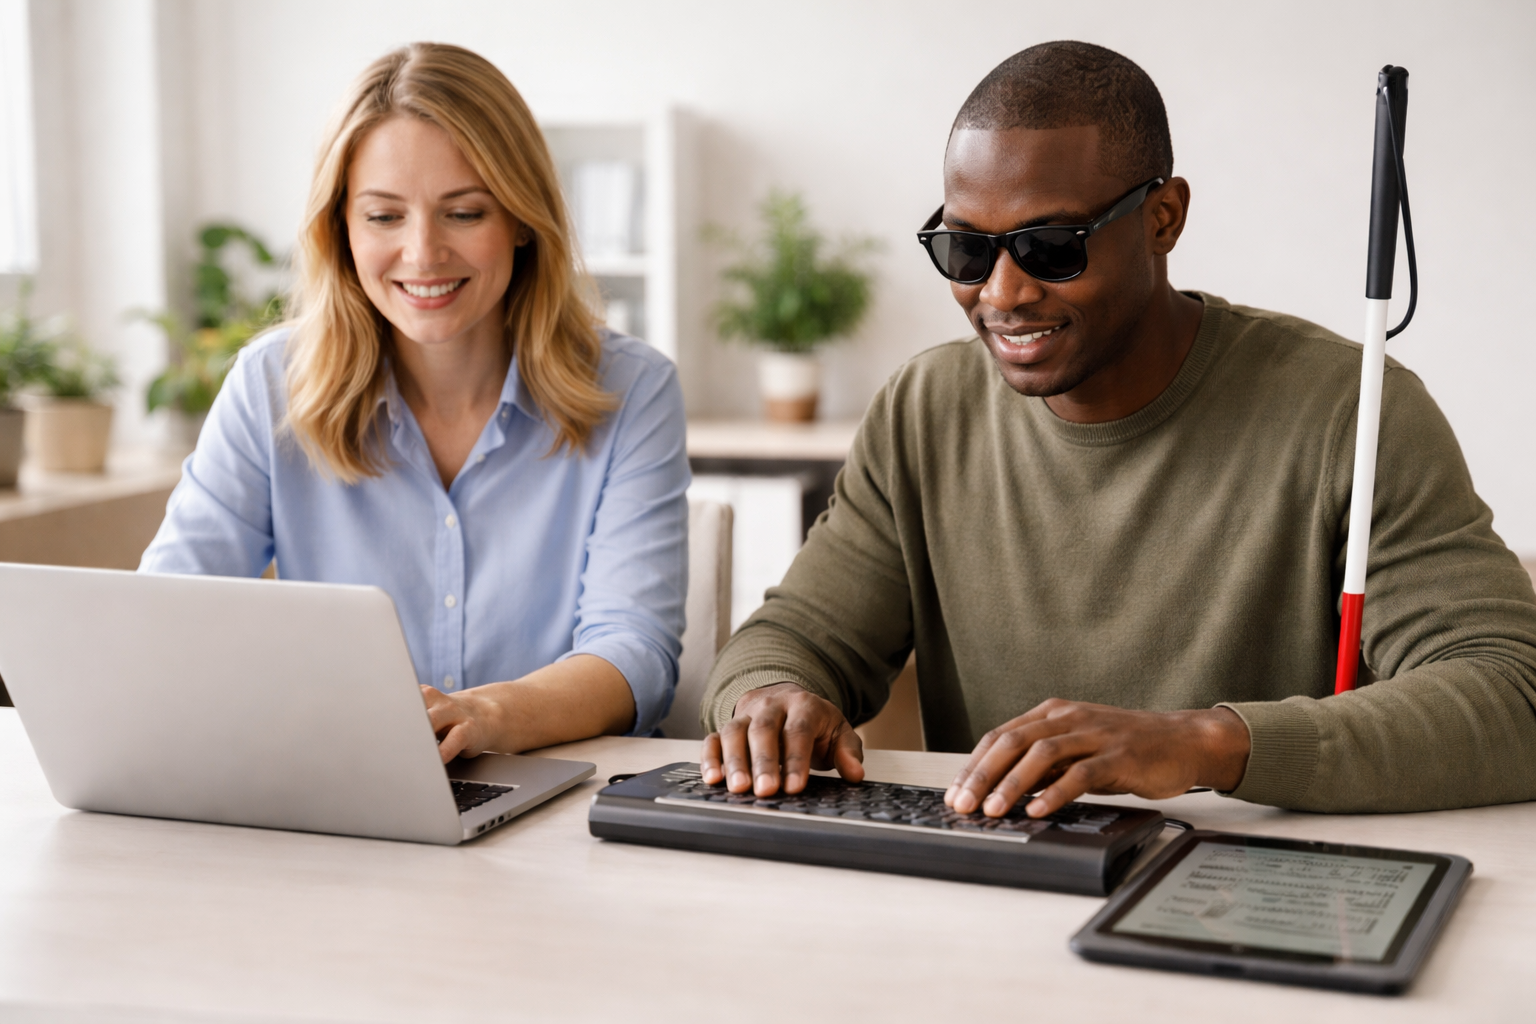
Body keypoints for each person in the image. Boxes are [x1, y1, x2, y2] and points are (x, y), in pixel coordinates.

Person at [699, 41, 1536, 816]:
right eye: (965, 248)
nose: (1000, 293)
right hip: (994, 892)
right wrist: (769, 699)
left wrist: (1203, 743)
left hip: (1256, 897)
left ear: (1163, 218)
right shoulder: (927, 409)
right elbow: (797, 638)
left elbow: (1514, 693)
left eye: (1051, 246)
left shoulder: (1347, 410)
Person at [141, 43, 689, 761]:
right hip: (337, 791)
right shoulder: (268, 385)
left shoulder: (633, 391)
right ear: (340, 226)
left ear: (522, 219)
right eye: (383, 217)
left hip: (558, 803)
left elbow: (634, 652)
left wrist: (487, 716)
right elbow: (165, 620)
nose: (423, 253)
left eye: (464, 213)